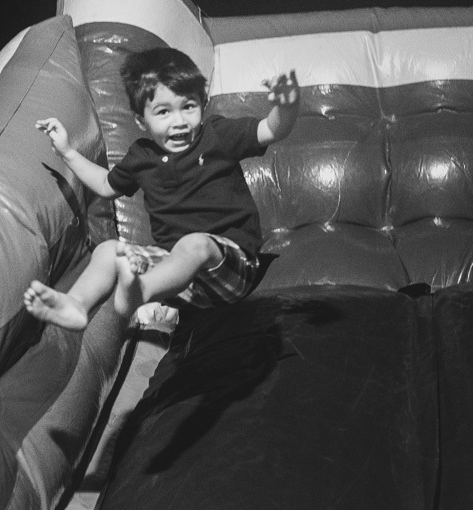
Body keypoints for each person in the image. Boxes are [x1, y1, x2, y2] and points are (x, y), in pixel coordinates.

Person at [24, 47, 300, 330]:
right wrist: (68, 153)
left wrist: (286, 107)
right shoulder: (141, 157)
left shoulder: (217, 134)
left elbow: (271, 130)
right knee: (109, 251)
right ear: (141, 121)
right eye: (163, 112)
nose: (179, 121)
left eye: (188, 107)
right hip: (177, 277)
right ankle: (77, 305)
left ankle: (142, 291)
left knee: (195, 244)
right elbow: (106, 185)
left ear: (203, 104)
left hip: (232, 267)